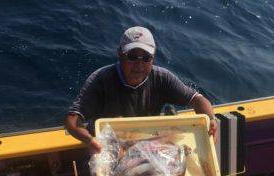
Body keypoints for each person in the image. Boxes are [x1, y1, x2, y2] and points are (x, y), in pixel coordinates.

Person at [65, 26, 218, 153]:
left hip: (147, 145)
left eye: (145, 58)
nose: (139, 65)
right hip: (106, 147)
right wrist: (91, 141)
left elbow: (197, 100)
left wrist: (211, 119)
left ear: (153, 58)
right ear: (120, 54)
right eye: (132, 56)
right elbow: (72, 122)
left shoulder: (162, 78)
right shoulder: (100, 80)